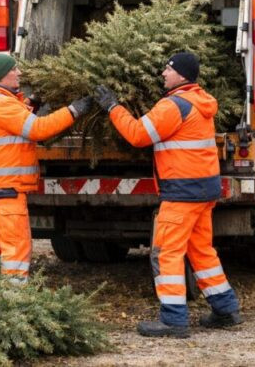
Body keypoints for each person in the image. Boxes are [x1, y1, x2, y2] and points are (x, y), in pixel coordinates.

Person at [94, 52, 241, 338]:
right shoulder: (200, 102)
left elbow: (137, 135)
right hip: (202, 190)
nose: (162, 73)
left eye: (168, 69)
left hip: (182, 193)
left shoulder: (173, 105)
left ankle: (173, 319)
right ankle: (225, 309)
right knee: (201, 251)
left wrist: (113, 106)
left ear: (182, 75)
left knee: (166, 254)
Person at [0, 53, 92, 285]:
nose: (19, 73)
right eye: (14, 70)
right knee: (16, 244)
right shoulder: (2, 104)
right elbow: (39, 129)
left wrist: (33, 102)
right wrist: (73, 110)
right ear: (2, 76)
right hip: (7, 187)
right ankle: (15, 299)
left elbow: (15, 122)